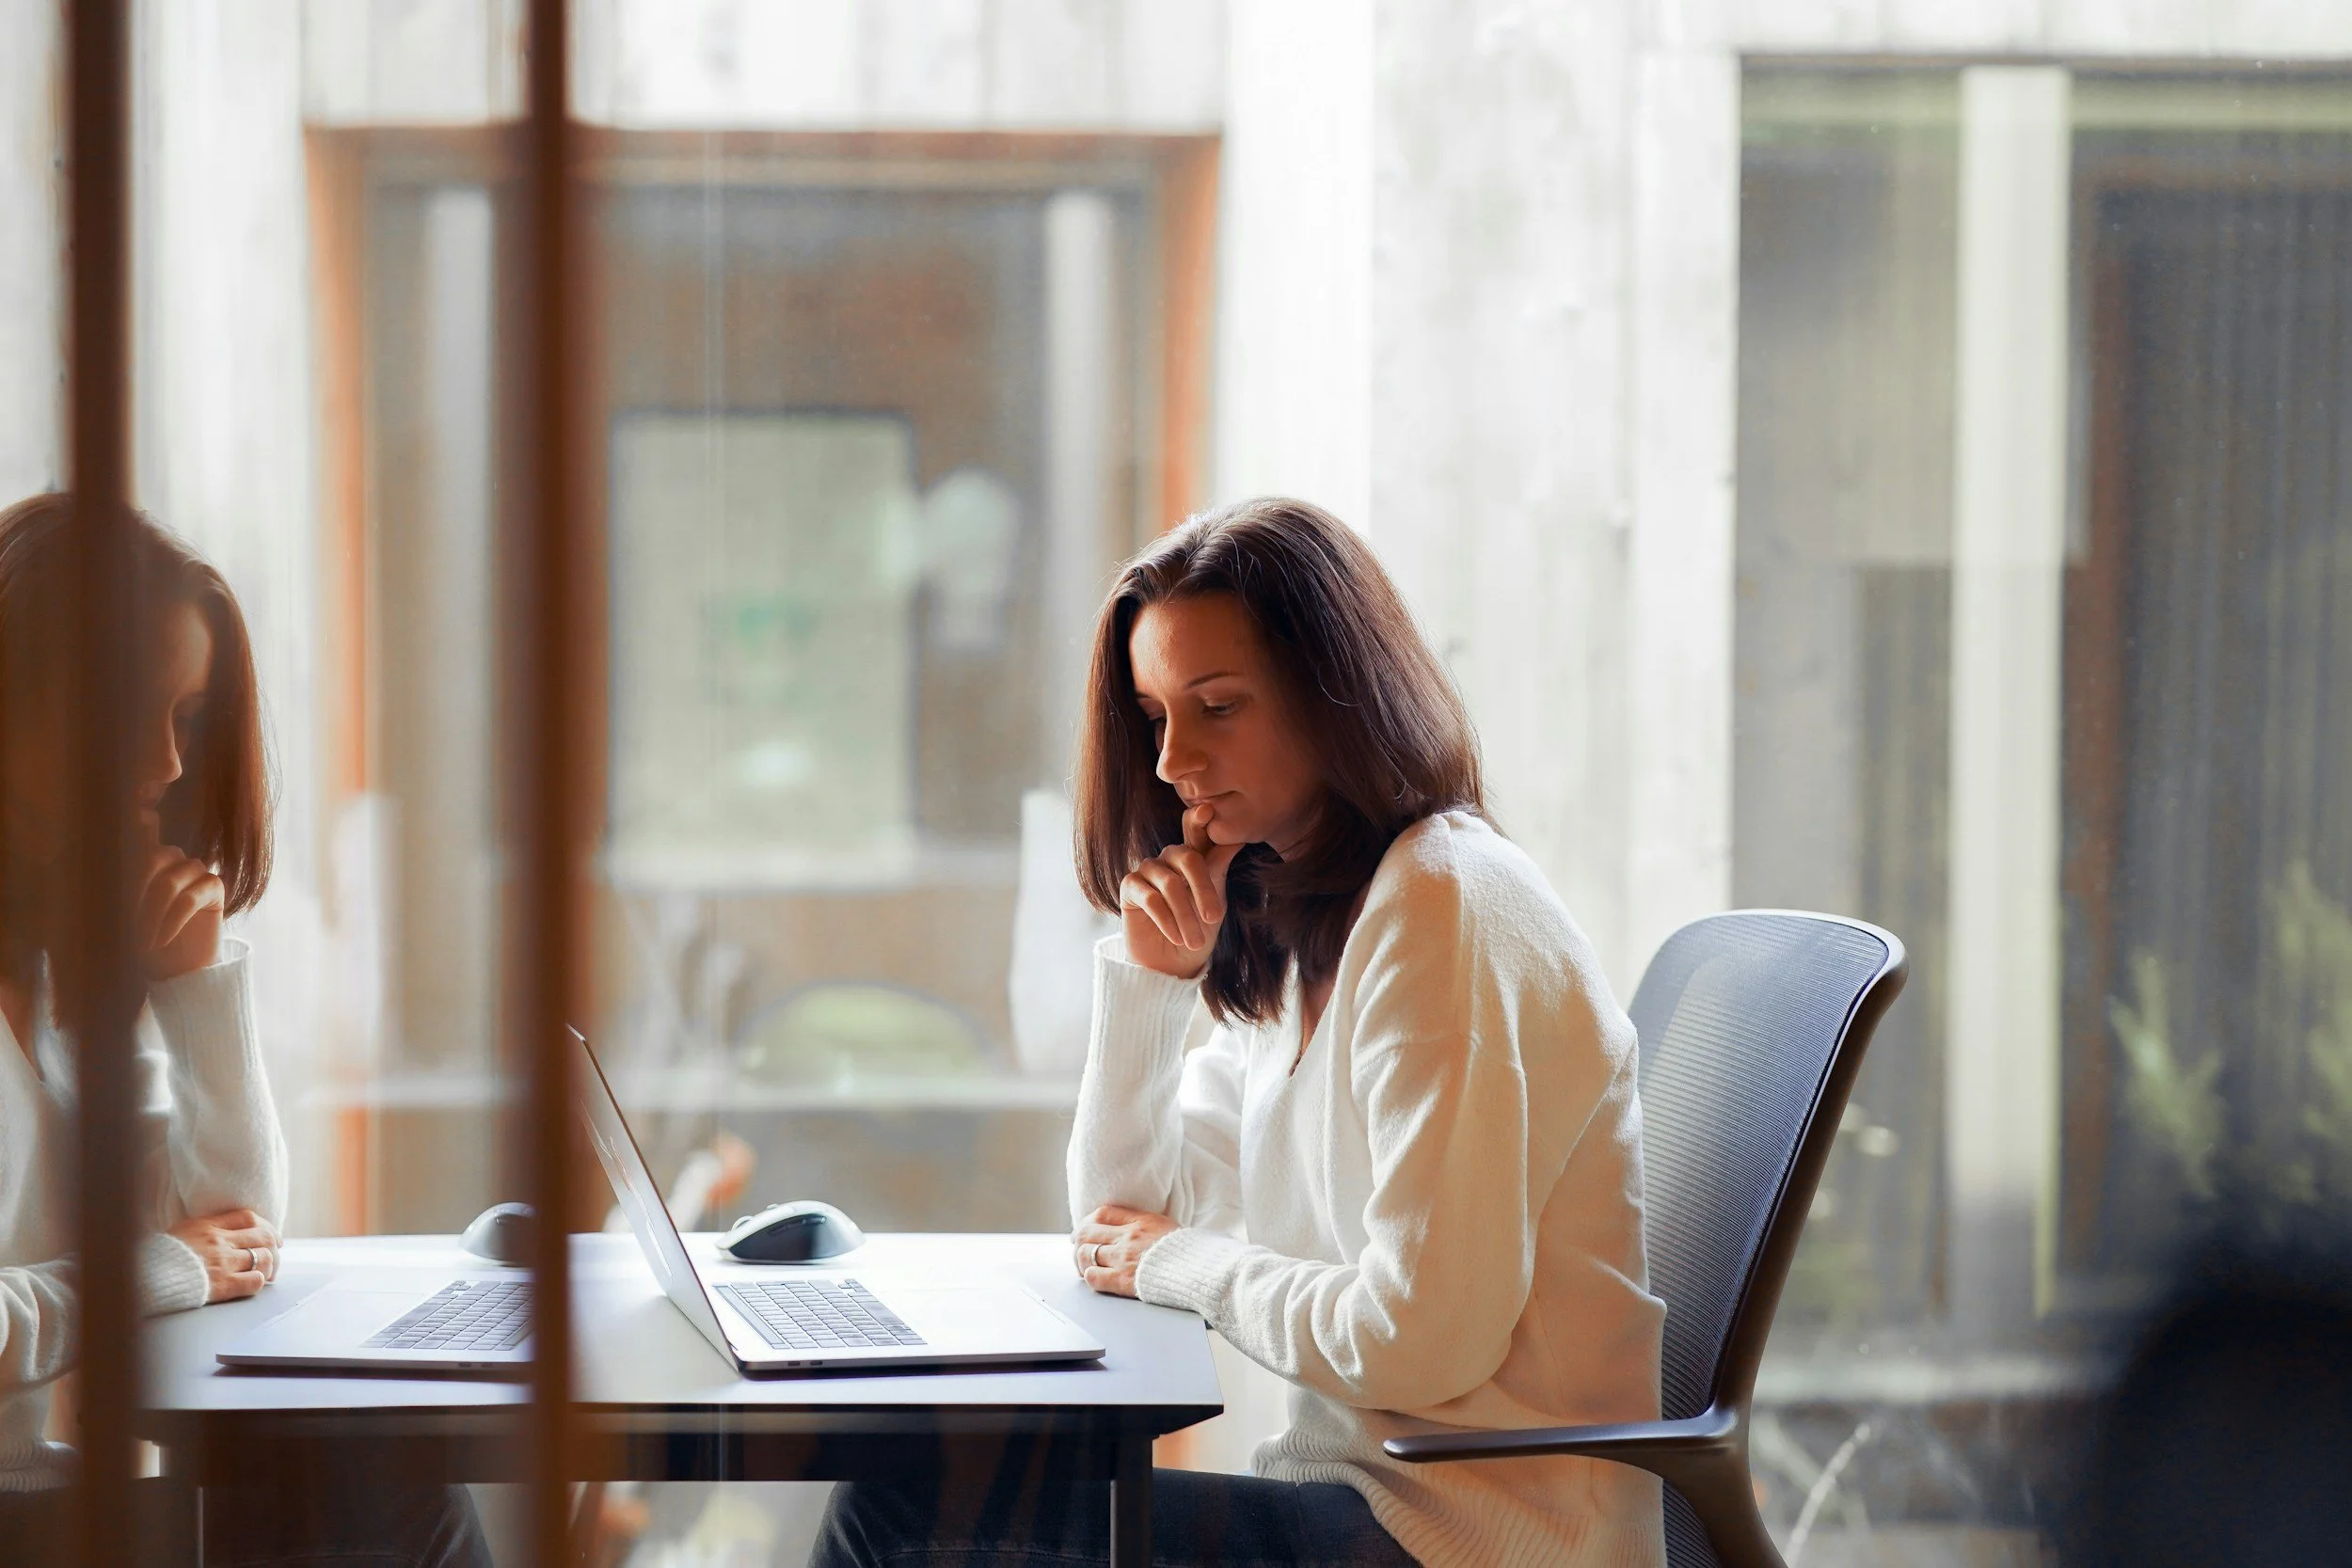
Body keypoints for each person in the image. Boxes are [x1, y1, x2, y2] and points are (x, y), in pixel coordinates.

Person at [814, 499, 1667, 1567]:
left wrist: (1180, 1262)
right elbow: (1118, 1223)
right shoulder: (1303, 921)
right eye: (1154, 712)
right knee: (910, 1498)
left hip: (1478, 1540)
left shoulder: (1443, 908)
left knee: (899, 1514)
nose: (1173, 759)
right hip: (1365, 1500)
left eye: (1217, 706)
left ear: (1335, 701)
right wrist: (1150, 982)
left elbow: (1417, 1337)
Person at [0, 493, 488, 1566]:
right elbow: (190, 1258)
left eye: (186, 716)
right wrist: (159, 1269)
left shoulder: (57, 971)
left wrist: (195, 988)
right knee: (387, 1495)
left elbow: (240, 1232)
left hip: (50, 1502)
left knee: (385, 1470)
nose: (170, 765)